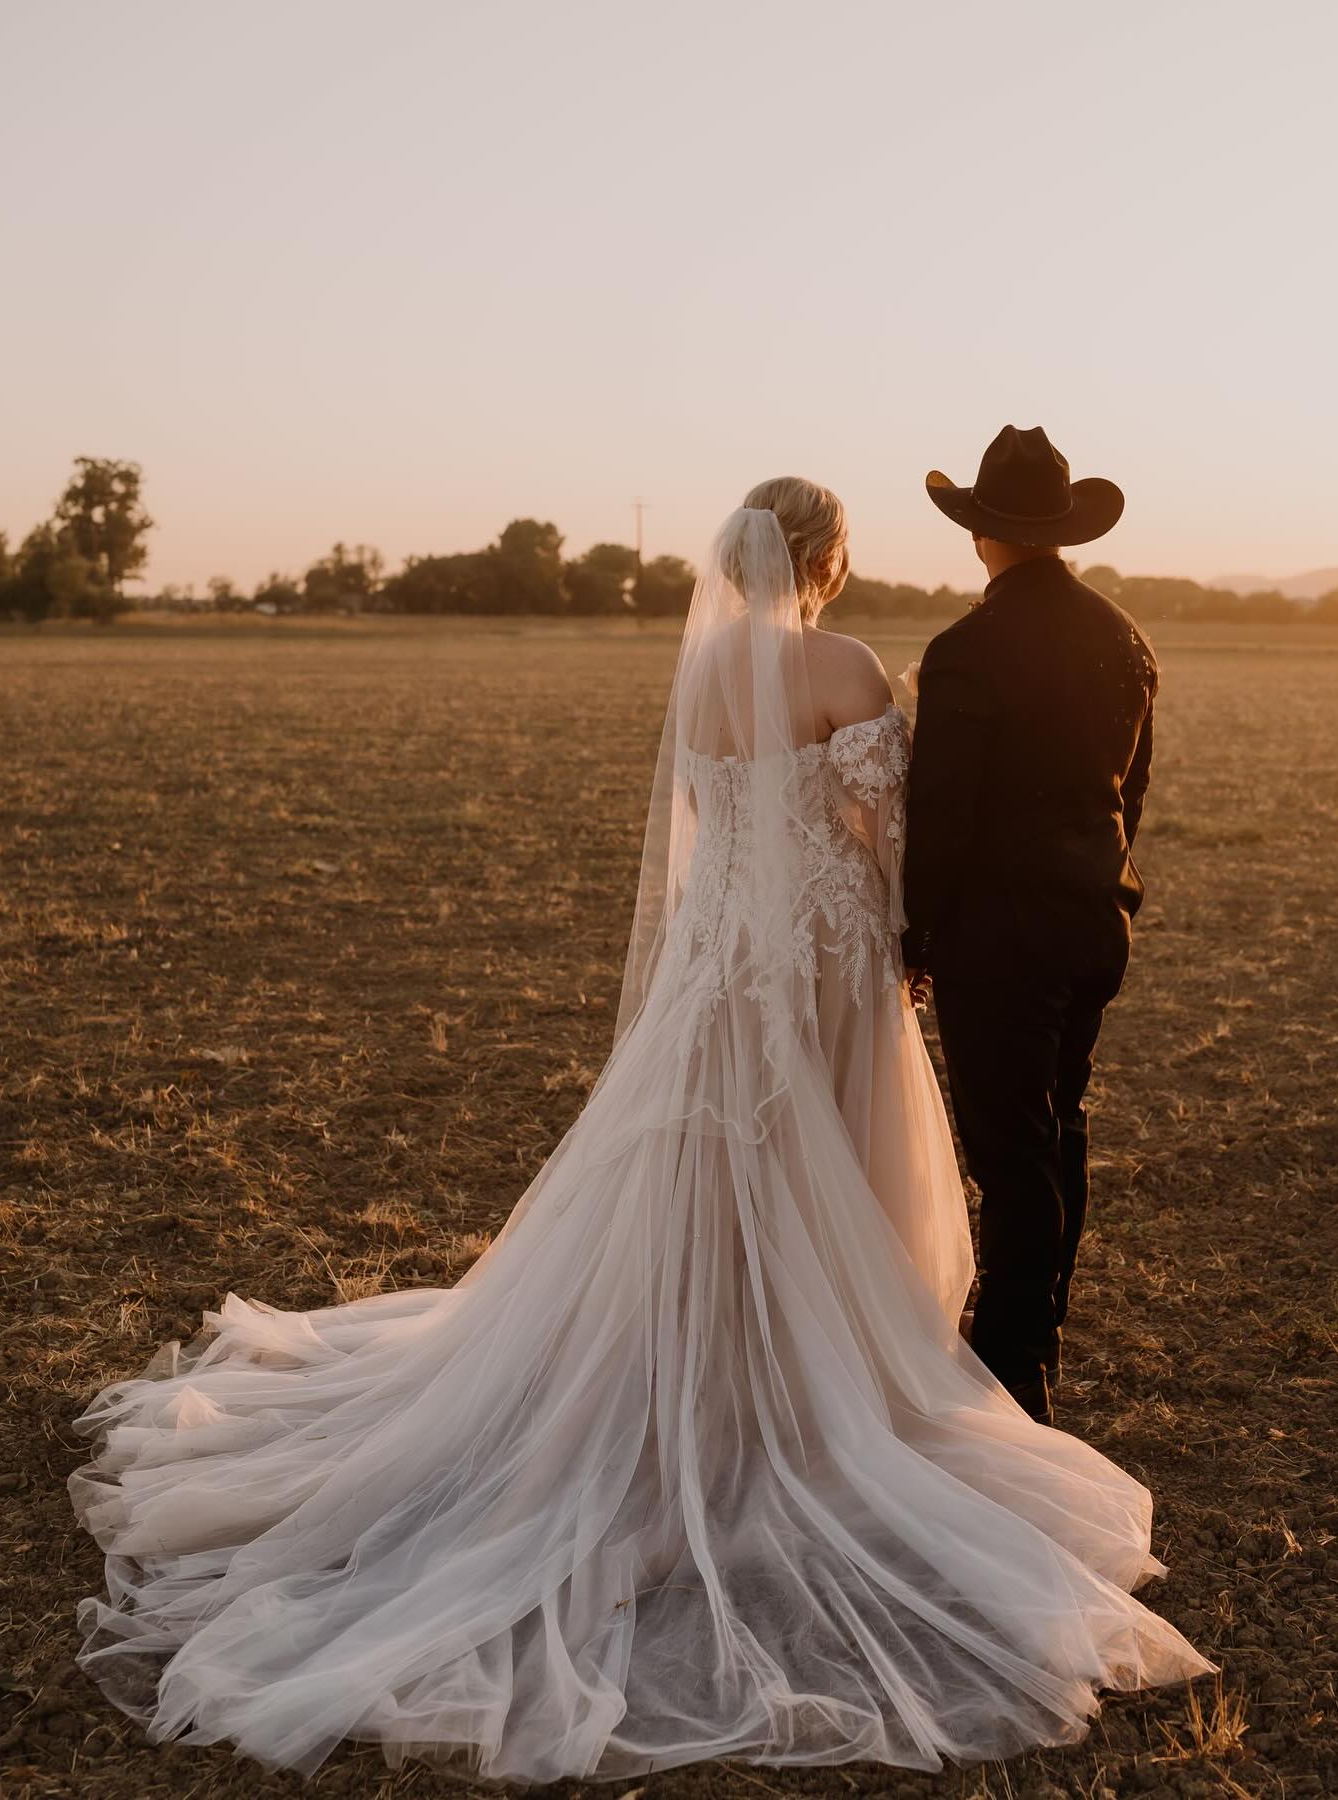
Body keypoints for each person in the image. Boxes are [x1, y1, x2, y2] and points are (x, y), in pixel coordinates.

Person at [71, 477, 1207, 1784]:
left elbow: (719, 823)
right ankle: (810, 1374)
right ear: (828, 558)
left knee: (705, 1162)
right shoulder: (847, 665)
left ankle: (714, 1342)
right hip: (825, 963)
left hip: (722, 963)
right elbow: (882, 835)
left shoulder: (704, 671)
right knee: (825, 1158)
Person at [902, 426, 1159, 1426]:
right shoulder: (1125, 635)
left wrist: (916, 936)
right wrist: (1107, 883)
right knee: (1059, 1133)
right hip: (1096, 918)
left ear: (981, 536)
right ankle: (1034, 1330)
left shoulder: (966, 649)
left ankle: (1013, 1368)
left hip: (998, 934)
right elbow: (1128, 792)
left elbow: (944, 814)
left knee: (1010, 1152)